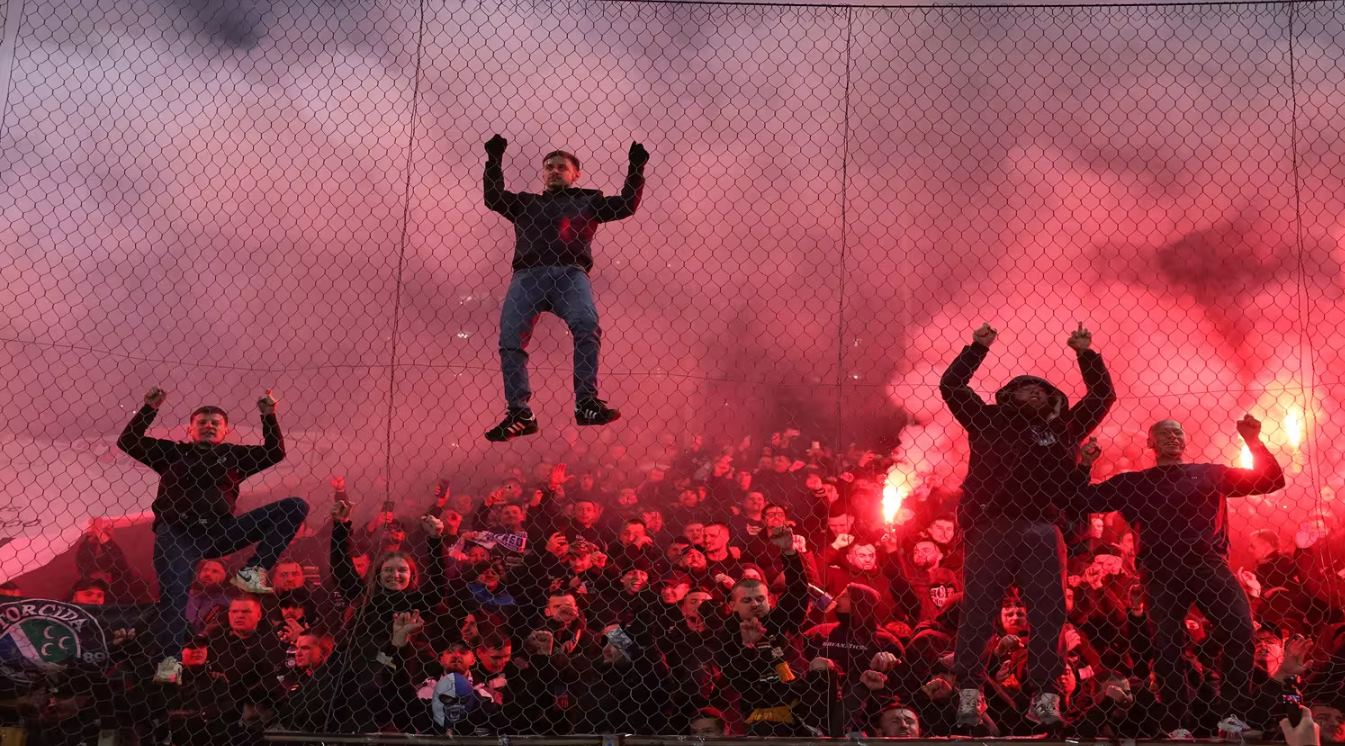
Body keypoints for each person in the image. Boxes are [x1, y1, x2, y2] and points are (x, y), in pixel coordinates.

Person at [940, 322, 1115, 731]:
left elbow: (1103, 395)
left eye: (1042, 390)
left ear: (1053, 399)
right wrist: (977, 348)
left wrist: (1086, 353)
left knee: (1050, 614)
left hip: (1042, 526)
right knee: (979, 612)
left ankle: (1046, 695)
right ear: (1007, 396)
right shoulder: (987, 421)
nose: (1034, 392)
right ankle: (970, 688)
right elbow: (952, 386)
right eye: (1025, 388)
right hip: (991, 525)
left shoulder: (1064, 427)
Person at [1080, 415, 1285, 736]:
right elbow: (1083, 499)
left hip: (1207, 563)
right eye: (1164, 433)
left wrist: (1253, 441)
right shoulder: (1135, 482)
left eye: (1177, 432)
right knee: (1167, 644)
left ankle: (1232, 713)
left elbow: (1271, 480)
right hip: (1161, 569)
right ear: (1150, 443)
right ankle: (1176, 722)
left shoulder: (1209, 473)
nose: (1172, 437)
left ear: (1185, 441)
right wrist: (1085, 464)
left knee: (1241, 628)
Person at [117, 386, 308, 684]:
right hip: (177, 534)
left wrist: (268, 415)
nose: (208, 425)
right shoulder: (172, 452)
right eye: (202, 422)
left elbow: (274, 452)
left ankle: (252, 571)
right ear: (190, 429)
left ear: (225, 430)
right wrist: (149, 409)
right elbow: (128, 441)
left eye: (215, 423)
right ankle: (170, 664)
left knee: (295, 507)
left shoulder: (233, 456)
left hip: (219, 531)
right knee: (174, 597)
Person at [481, 133, 649, 441]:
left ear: (575, 175)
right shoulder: (525, 203)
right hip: (528, 276)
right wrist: (494, 161)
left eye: (561, 167)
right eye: (549, 167)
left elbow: (626, 205)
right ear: (543, 174)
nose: (554, 171)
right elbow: (493, 197)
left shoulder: (588, 201)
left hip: (570, 275)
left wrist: (635, 169)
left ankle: (586, 401)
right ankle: (519, 412)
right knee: (510, 340)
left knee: (587, 325)